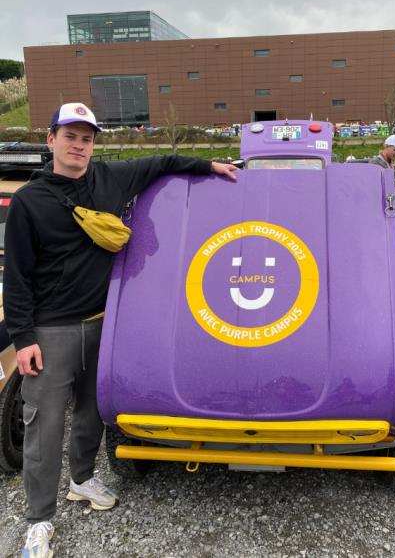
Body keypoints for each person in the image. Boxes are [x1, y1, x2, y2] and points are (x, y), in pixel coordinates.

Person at [3, 102, 238, 557]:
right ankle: (39, 520)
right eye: (70, 136)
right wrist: (23, 338)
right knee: (45, 425)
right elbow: (17, 275)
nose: (79, 145)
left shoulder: (111, 178)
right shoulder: (30, 201)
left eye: (87, 138)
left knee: (93, 412)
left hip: (106, 323)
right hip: (51, 330)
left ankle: (82, 479)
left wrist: (211, 165)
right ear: (50, 140)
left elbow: (166, 162)